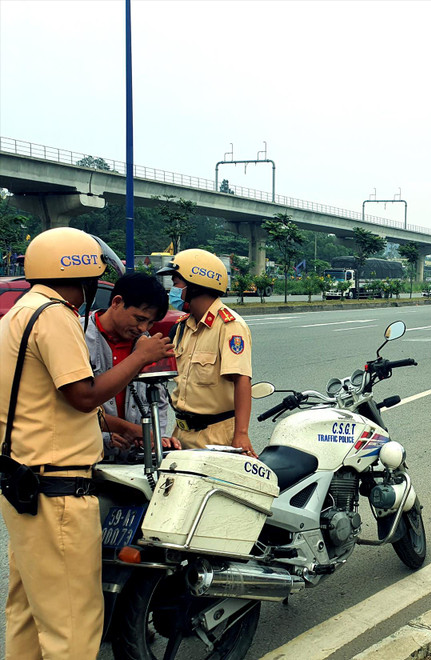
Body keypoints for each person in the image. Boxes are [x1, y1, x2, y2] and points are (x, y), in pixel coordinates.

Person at [0, 227, 173, 659]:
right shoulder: (55, 316)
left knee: (29, 614)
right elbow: (82, 395)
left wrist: (118, 425)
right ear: (85, 279)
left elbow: (44, 400)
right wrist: (141, 357)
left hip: (23, 481)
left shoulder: (19, 314)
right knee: (74, 623)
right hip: (57, 491)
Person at [156, 249, 257, 455]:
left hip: (216, 436)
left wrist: (241, 434)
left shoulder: (229, 326)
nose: (173, 290)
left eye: (176, 283)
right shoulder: (183, 326)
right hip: (181, 433)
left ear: (195, 285)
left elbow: (241, 380)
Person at [81, 271, 178, 461]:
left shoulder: (148, 345)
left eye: (150, 323)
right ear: (116, 302)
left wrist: (157, 439)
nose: (143, 328)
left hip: (133, 463)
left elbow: (158, 402)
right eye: (139, 319)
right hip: (87, 458)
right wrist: (104, 436)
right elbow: (73, 404)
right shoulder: (79, 336)